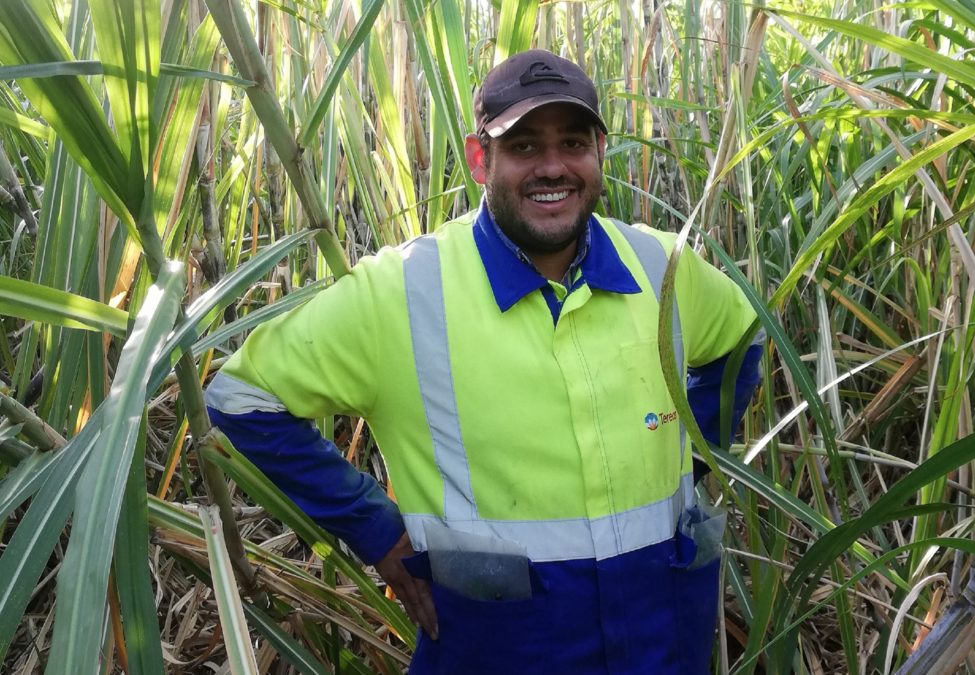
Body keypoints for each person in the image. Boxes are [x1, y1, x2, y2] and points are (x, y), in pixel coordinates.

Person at [205, 48, 762, 674]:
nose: (553, 167)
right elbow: (242, 398)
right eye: (523, 146)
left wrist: (690, 454)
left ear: (600, 152)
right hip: (499, 649)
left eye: (573, 142)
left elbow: (745, 338)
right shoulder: (403, 293)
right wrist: (375, 531)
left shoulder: (663, 268)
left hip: (663, 642)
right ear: (480, 158)